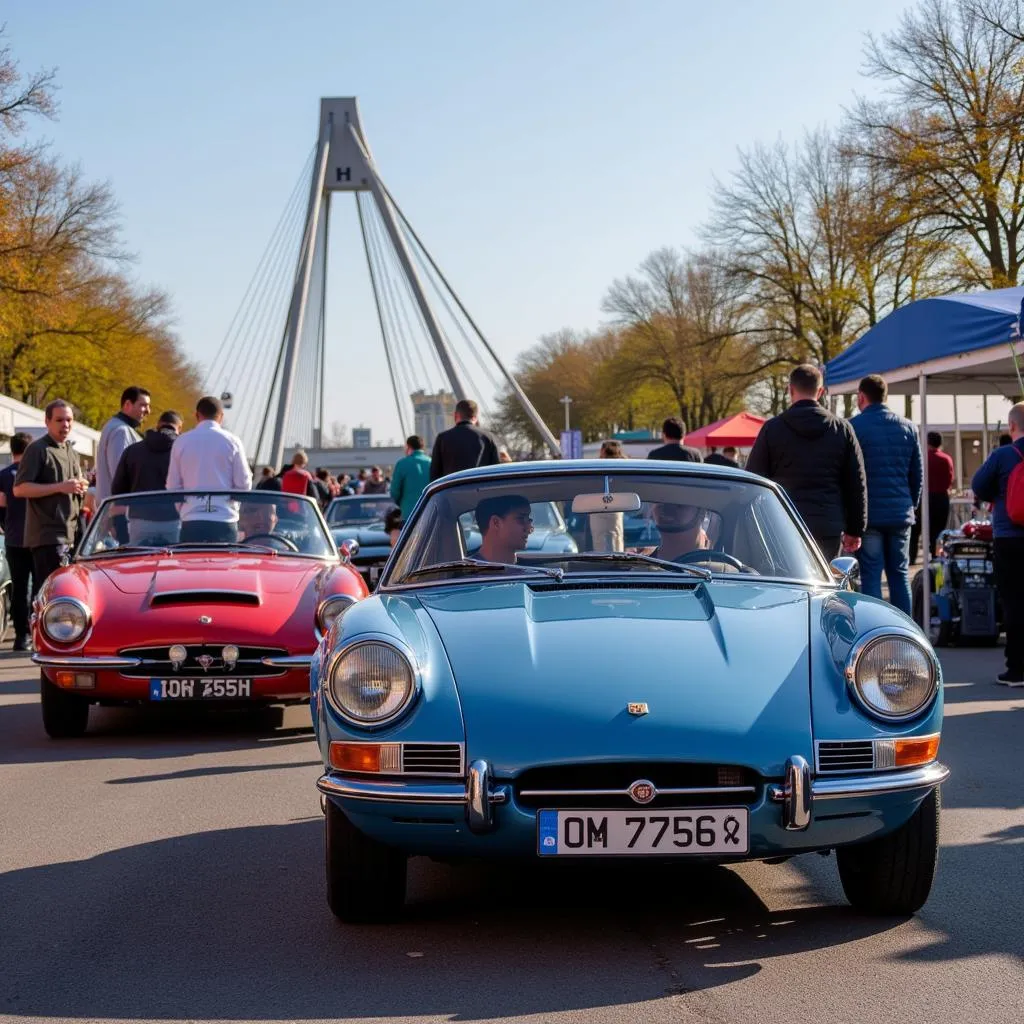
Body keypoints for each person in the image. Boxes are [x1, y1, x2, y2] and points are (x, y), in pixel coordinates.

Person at [746, 364, 867, 561]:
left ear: (790, 390)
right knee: (824, 585)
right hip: (827, 524)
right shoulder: (842, 429)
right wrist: (855, 529)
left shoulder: (772, 429)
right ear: (820, 391)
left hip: (783, 522)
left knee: (787, 585)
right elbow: (856, 483)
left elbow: (755, 479)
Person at [849, 374, 922, 615]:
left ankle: (876, 630)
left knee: (871, 575)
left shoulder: (854, 427)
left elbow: (849, 475)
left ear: (861, 396)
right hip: (900, 514)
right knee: (899, 575)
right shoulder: (908, 427)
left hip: (869, 515)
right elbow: (916, 474)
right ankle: (907, 633)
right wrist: (910, 504)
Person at [971, 403, 1024, 684]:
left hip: (1009, 536)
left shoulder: (1004, 455)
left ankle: (1016, 668)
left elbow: (978, 486)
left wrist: (1000, 494)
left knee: (1014, 601)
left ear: (1011, 426)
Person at [13, 400, 88, 587]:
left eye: (69, 420)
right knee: (52, 595)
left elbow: (70, 487)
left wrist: (81, 486)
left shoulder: (71, 450)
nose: (66, 425)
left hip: (72, 535)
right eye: (60, 420)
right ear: (47, 422)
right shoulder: (37, 449)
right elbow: (19, 489)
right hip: (48, 537)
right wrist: (60, 487)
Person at [165, 395, 252, 543]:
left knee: (191, 565)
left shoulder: (181, 442)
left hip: (191, 521)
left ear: (197, 415)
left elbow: (172, 485)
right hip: (224, 520)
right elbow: (244, 484)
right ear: (221, 417)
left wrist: (185, 509)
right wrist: (232, 504)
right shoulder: (233, 442)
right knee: (223, 566)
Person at [110, 410, 183, 544]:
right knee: (172, 563)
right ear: (179, 428)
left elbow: (118, 491)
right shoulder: (182, 452)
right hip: (174, 521)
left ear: (158, 425)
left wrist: (118, 524)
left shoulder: (132, 450)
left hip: (139, 520)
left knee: (140, 562)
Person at [0, 433, 36, 650]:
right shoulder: (34, 474)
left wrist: (6, 526)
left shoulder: (2, 476)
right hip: (37, 537)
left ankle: (20, 637)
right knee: (38, 586)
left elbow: (1, 507)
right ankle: (35, 632)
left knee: (19, 588)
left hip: (13, 538)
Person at [95, 386, 151, 504]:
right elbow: (120, 474)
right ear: (127, 404)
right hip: (119, 508)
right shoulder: (121, 431)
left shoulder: (116, 426)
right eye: (143, 405)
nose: (148, 411)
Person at [430, 399, 501, 480]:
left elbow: (434, 474)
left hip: (452, 490)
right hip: (480, 490)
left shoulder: (442, 438)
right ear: (475, 417)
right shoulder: (488, 437)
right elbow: (496, 469)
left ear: (456, 415)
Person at [590, 440, 628, 552]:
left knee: (599, 541)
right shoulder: (623, 468)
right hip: (615, 508)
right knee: (616, 540)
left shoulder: (595, 468)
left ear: (602, 451)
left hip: (597, 508)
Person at [475, 494, 533, 563]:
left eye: (528, 520)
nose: (530, 528)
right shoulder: (467, 573)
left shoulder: (532, 571)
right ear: (496, 523)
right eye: (521, 519)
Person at [390, 436, 431, 521]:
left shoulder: (401, 464)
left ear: (408, 446)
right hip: (429, 512)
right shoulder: (431, 462)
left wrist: (400, 503)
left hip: (408, 513)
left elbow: (394, 491)